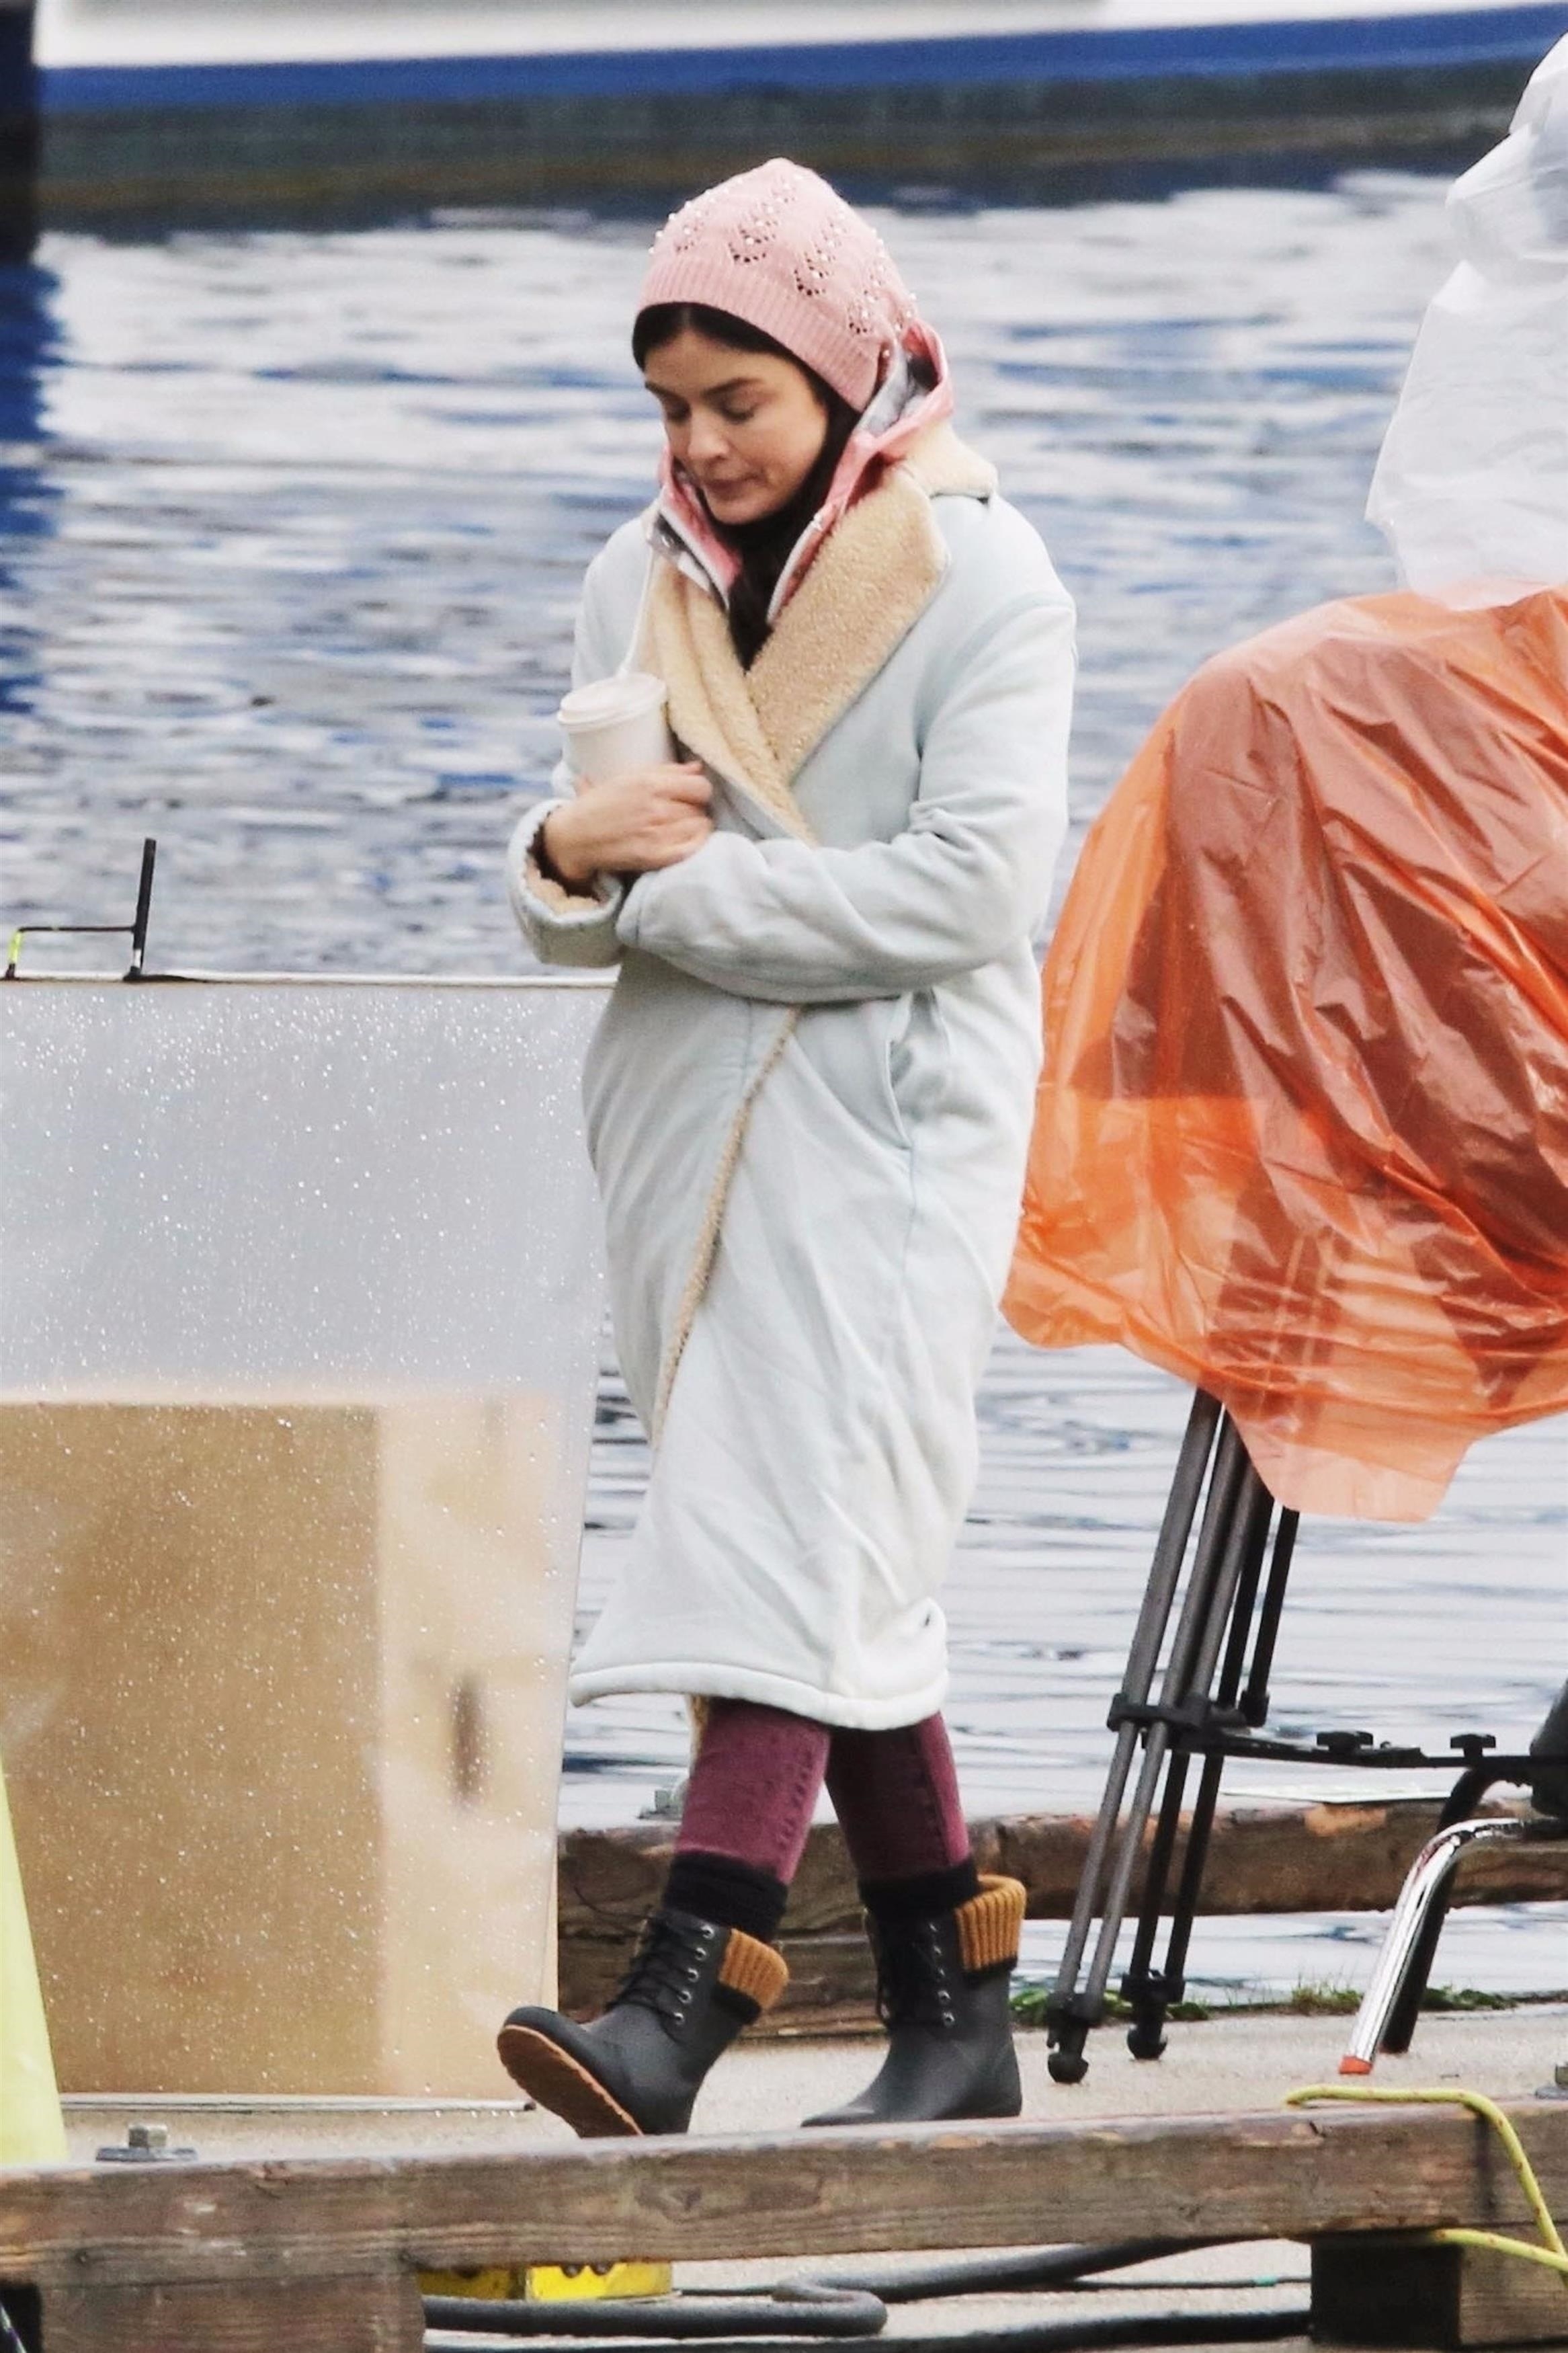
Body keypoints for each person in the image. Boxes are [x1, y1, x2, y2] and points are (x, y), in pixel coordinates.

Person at [501, 158, 1075, 2137]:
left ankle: (681, 2004)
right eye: (671, 406)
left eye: (737, 401)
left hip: (892, 1140)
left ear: (843, 377)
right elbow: (583, 890)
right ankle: (957, 2015)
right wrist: (563, 853)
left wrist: (677, 899)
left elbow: (975, 893)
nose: (701, 446)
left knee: (779, 1546)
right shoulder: (634, 578)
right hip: (681, 1138)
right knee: (838, 1560)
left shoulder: (988, 580)